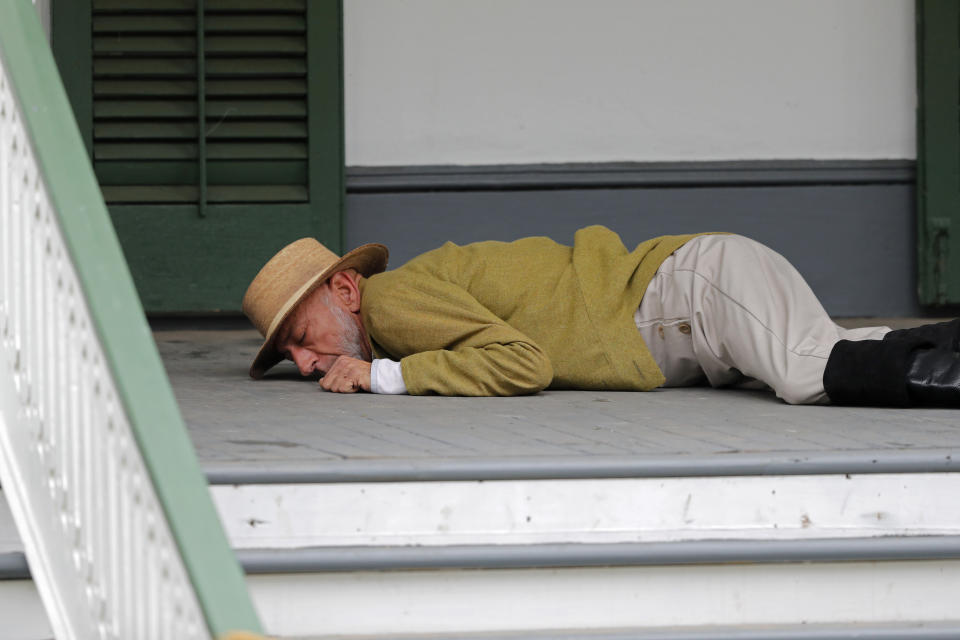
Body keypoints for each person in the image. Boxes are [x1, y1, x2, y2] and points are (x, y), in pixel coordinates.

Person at [241, 226, 960, 407]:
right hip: (696, 299)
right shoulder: (407, 304)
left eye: (300, 338)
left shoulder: (393, 300)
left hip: (693, 295)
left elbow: (524, 364)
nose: (306, 363)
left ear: (345, 290)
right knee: (846, 349)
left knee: (813, 372)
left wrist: (382, 377)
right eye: (289, 358)